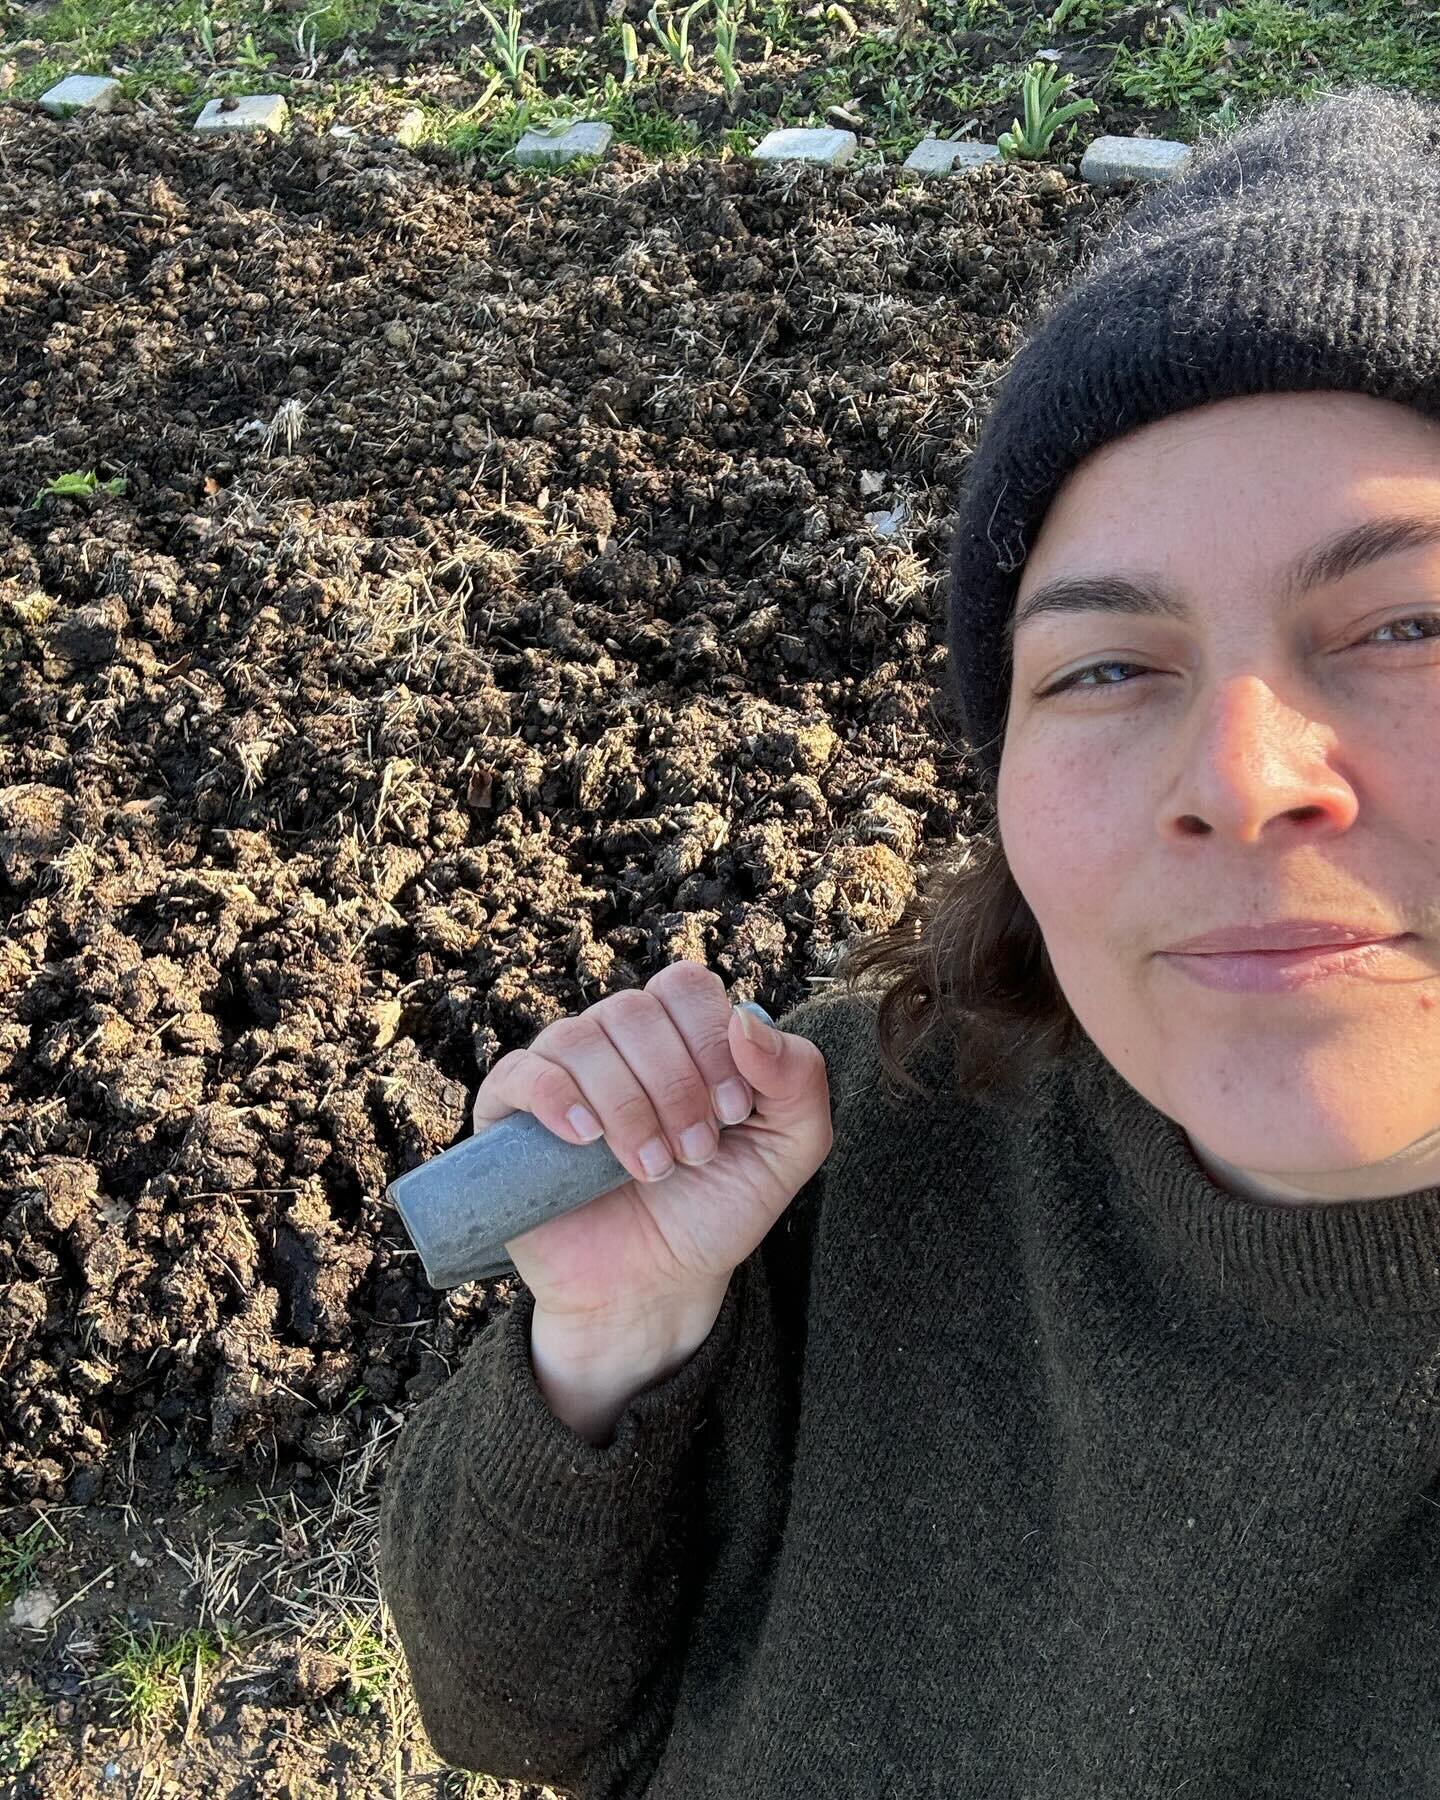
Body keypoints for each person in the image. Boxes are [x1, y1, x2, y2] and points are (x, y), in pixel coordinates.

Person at [377, 81, 1440, 1797]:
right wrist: (613, 1340)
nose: (1240, 780)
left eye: (1406, 623)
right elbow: (522, 1720)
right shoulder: (860, 1127)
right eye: (1106, 663)